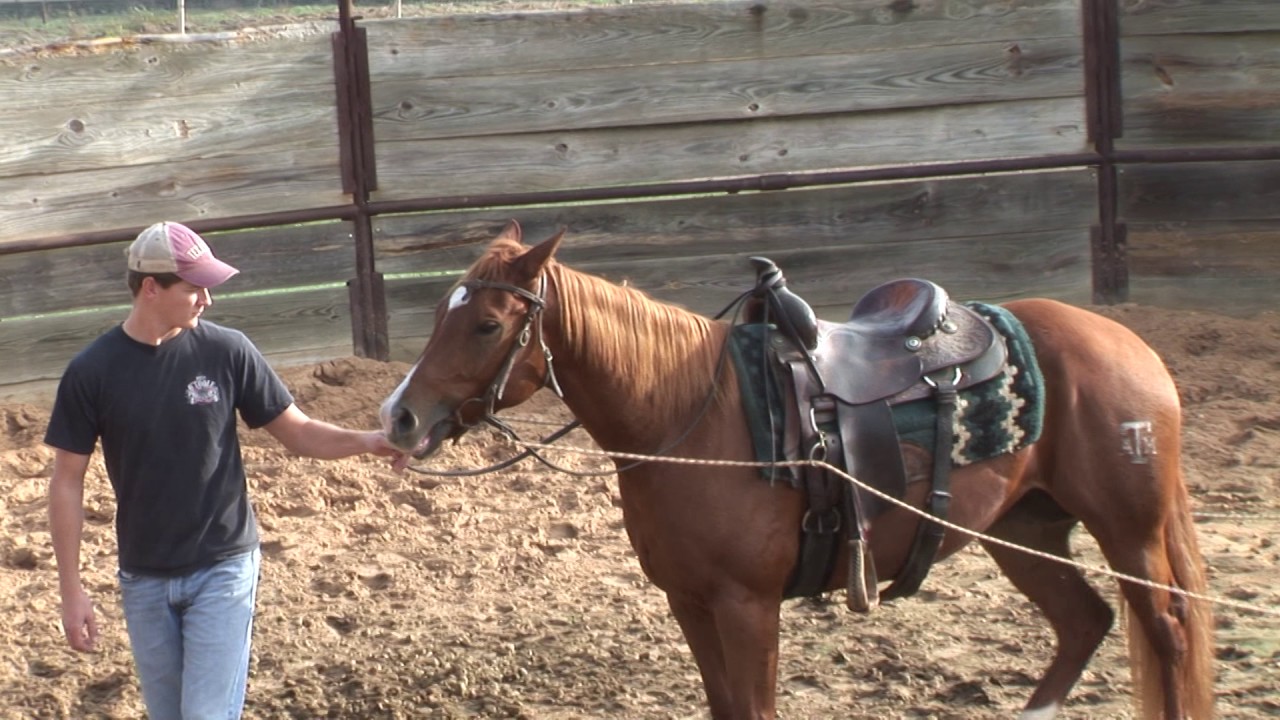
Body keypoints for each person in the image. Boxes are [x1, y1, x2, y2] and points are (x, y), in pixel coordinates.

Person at [45, 221, 402, 719]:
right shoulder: (91, 371)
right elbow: (67, 481)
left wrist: (369, 441)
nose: (207, 299)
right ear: (151, 288)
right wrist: (71, 590)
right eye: (194, 287)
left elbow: (298, 432)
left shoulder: (227, 351)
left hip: (223, 567)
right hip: (143, 577)